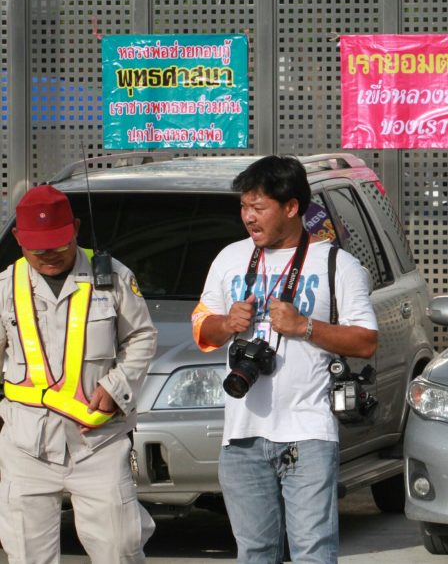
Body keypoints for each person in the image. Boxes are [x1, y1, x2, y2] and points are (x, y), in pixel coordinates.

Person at [191, 155, 378, 563]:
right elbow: (201, 328)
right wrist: (226, 324)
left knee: (312, 550)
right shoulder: (229, 258)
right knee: (255, 551)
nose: (248, 218)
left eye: (259, 208)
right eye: (243, 207)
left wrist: (305, 327)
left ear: (291, 207)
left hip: (308, 431)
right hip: (242, 435)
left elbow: (366, 341)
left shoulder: (337, 265)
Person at [0, 184, 157, 563]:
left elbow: (142, 337)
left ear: (75, 227)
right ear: (19, 238)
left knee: (120, 547)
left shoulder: (113, 277)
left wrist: (117, 386)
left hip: (97, 440)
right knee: (26, 553)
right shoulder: (6, 285)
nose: (49, 255)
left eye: (58, 243)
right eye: (37, 249)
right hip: (26, 443)